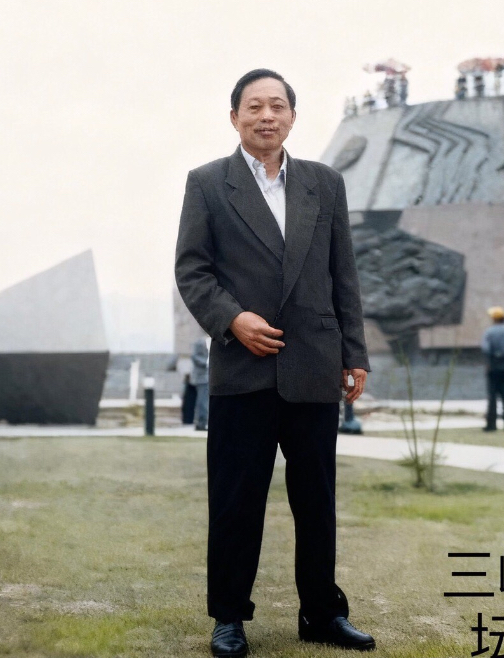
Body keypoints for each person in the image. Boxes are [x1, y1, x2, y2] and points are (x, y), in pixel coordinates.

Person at [175, 69, 375, 656]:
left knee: (316, 502)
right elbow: (192, 270)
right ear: (234, 117)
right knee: (236, 502)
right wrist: (233, 319)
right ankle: (229, 617)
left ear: (292, 116)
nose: (267, 116)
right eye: (255, 106)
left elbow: (343, 273)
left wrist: (354, 352)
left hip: (314, 364)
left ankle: (322, 614)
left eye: (278, 106)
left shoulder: (324, 183)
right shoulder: (208, 184)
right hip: (243, 369)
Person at [481, 307, 504, 432]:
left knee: (492, 397)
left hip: (493, 367)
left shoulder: (489, 332)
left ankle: (491, 424)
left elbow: (486, 349)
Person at [191, 338, 209, 432]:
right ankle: (201, 423)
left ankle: (204, 422)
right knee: (202, 402)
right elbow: (195, 356)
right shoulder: (200, 342)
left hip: (210, 377)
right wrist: (207, 363)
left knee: (206, 402)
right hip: (202, 377)